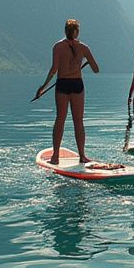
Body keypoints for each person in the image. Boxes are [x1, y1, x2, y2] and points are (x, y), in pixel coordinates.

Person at [35, 19, 100, 164]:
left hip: (62, 84)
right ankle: (82, 156)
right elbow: (96, 69)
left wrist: (43, 87)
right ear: (77, 32)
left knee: (60, 119)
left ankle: (55, 156)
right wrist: (86, 60)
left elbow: (54, 69)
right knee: (78, 121)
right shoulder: (84, 47)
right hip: (77, 85)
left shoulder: (57, 46)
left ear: (65, 31)